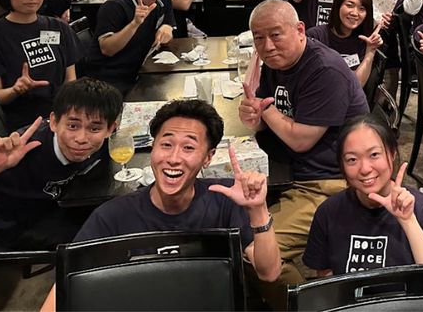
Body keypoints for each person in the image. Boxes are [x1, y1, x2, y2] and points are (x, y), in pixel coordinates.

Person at [39, 99, 282, 311]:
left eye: (188, 147)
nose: (173, 158)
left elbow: (269, 272)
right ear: (152, 147)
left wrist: (258, 210)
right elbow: (66, 285)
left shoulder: (225, 198)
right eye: (166, 144)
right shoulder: (112, 216)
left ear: (208, 157)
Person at [238, 0, 369, 291]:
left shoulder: (324, 70)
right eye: (259, 38)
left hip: (332, 183)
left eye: (275, 35)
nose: (267, 46)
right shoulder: (276, 63)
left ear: (299, 30)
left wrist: (263, 110)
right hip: (291, 172)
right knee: (227, 219)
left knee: (256, 252)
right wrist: (253, 115)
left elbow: (299, 139)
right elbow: (266, 115)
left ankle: (308, 303)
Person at [304, 116, 423, 275]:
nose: (365, 169)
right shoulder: (328, 212)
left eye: (374, 154)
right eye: (352, 159)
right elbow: (325, 275)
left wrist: (408, 221)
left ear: (392, 153)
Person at [0, 77, 122, 250]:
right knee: (102, 238)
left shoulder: (103, 145)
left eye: (94, 128)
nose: (81, 139)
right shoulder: (22, 147)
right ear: (53, 122)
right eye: (73, 126)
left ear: (110, 129)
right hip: (8, 225)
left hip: (53, 207)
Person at [0, 0, 79, 128]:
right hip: (20, 123)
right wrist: (16, 89)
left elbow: (70, 80)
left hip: (62, 115)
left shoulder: (57, 27)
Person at [85, 0, 175, 94]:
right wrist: (135, 24)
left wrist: (167, 28)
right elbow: (107, 49)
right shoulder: (114, 6)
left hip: (142, 72)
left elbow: (168, 26)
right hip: (108, 80)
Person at [358, 0, 409, 99]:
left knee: (383, 106)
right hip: (358, 53)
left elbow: (406, 24)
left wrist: (394, 20)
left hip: (388, 57)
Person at [306, 0, 384, 87]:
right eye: (349, 5)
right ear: (338, 5)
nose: (355, 13)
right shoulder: (314, 37)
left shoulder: (363, 40)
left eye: (361, 9)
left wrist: (370, 51)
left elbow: (357, 85)